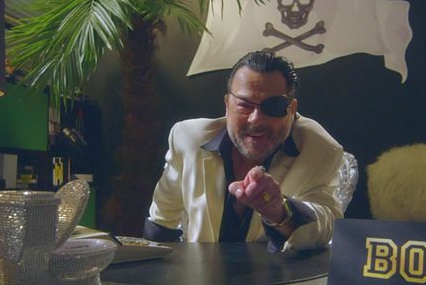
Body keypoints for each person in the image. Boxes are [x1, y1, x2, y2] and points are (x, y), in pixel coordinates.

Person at [144, 50, 345, 252]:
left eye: (273, 106)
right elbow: (162, 221)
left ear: (292, 110)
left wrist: (281, 212)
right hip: (198, 271)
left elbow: (329, 226)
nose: (256, 119)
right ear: (227, 105)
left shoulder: (318, 149)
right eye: (244, 105)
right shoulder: (188, 139)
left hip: (276, 272)